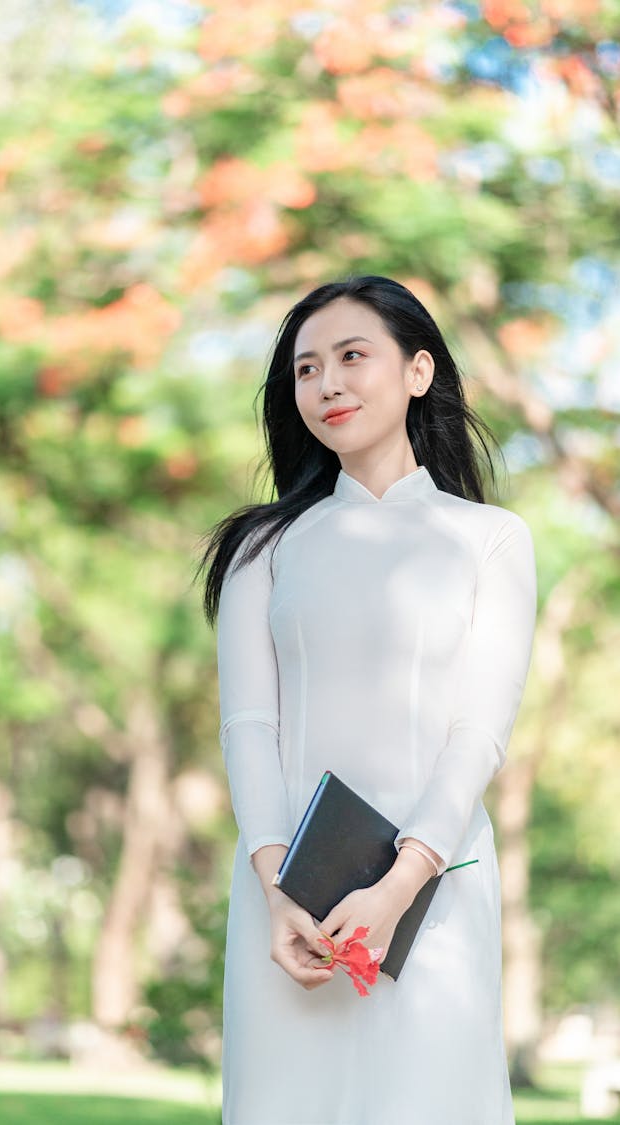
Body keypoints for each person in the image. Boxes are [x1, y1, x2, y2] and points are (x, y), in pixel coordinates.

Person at [197, 276, 537, 1125]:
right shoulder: (262, 547)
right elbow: (248, 728)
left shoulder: (489, 540)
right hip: (288, 908)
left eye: (353, 357)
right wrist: (279, 890)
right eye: (306, 370)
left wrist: (396, 888)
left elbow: (478, 732)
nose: (328, 385)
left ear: (419, 371)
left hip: (439, 892)